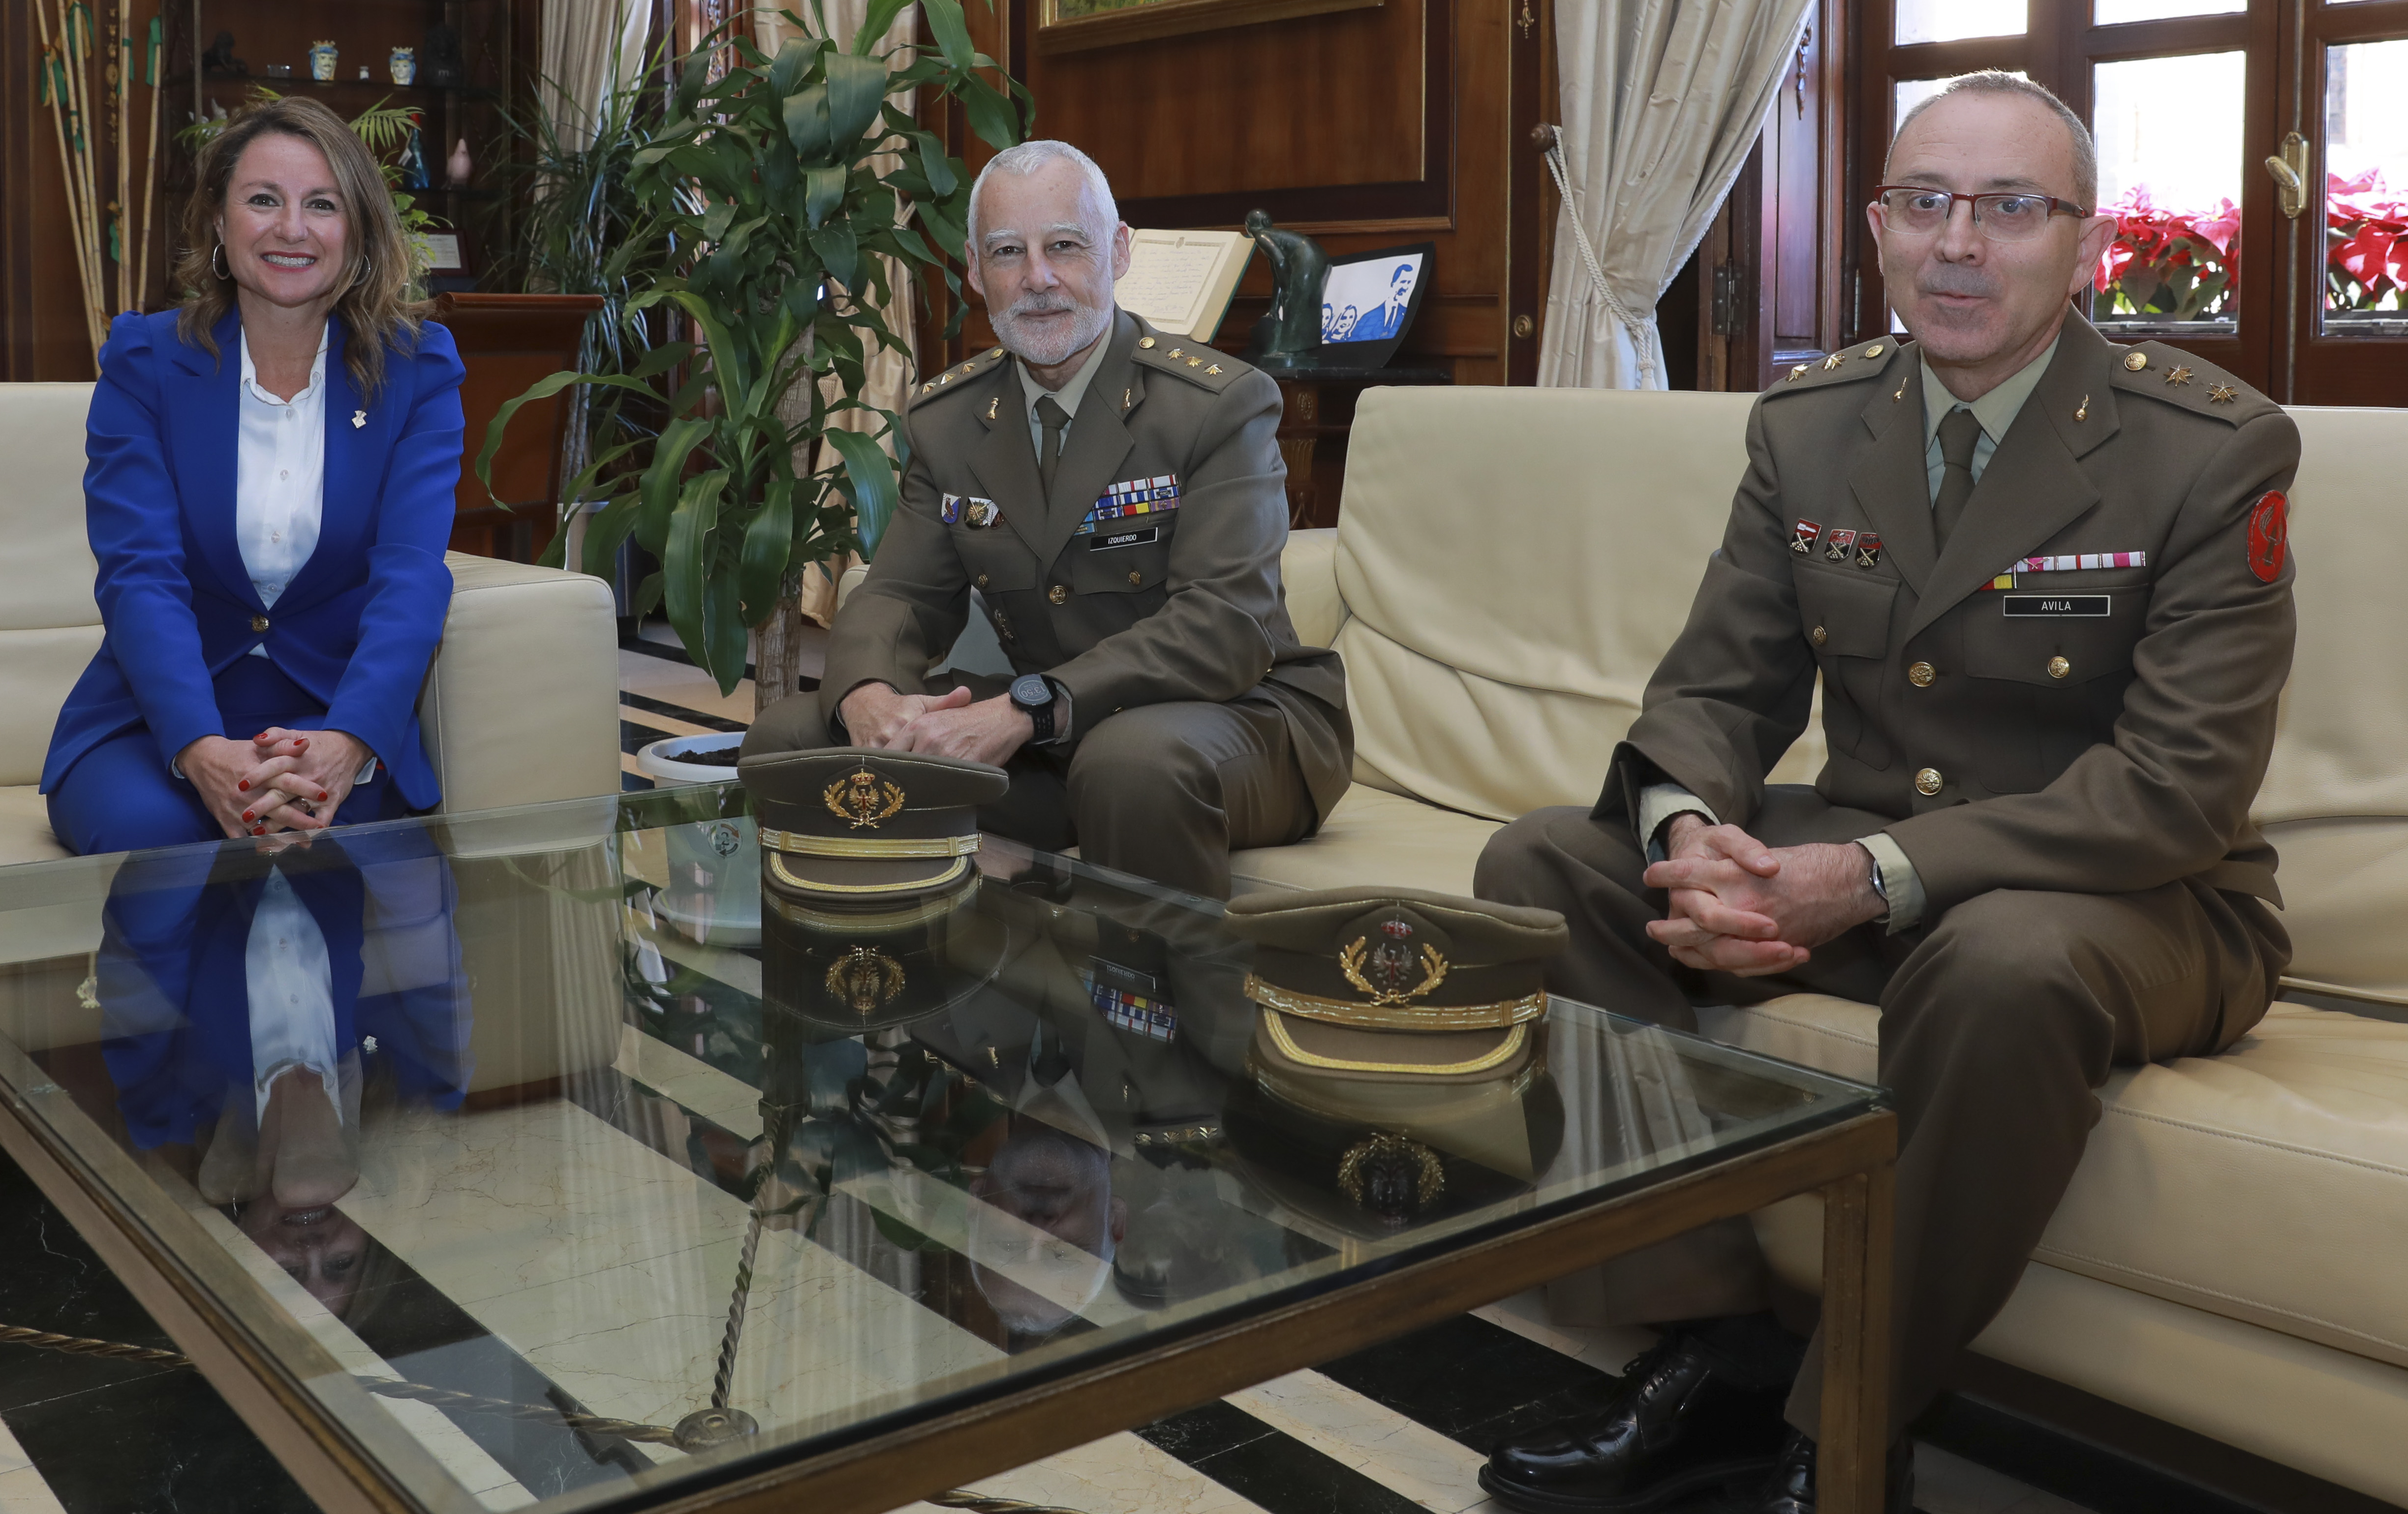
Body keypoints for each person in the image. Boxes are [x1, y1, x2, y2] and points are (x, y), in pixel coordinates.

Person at [1473, 73, 2299, 1514]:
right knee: (1547, 866)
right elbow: (1715, 693)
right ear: (1874, 229)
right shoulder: (1808, 425)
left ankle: (1845, 1427)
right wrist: (1686, 844)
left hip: (2135, 901)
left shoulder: (2208, 450)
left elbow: (2177, 792)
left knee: (2002, 962)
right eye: (1923, 204)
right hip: (1870, 868)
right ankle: (1713, 1353)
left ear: (2084, 244)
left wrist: (1860, 877)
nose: (1957, 245)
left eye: (2008, 210)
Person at [739, 139, 1348, 896]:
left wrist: (1028, 708)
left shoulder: (1217, 405)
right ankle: (888, 995)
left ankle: (1173, 1014)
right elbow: (898, 596)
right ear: (973, 270)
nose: (1038, 279)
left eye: (1064, 245)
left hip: (1240, 719)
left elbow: (1227, 623)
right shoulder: (951, 418)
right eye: (1007, 252)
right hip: (1059, 736)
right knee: (793, 739)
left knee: (1129, 764)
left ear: (1118, 252)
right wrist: (870, 697)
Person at [42, 94, 466, 854]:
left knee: (344, 862)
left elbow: (411, 575)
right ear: (218, 220)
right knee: (161, 846)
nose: (292, 229)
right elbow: (140, 575)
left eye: (322, 205)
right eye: (263, 200)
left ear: (357, 229)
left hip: (336, 718)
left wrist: (348, 744)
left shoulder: (417, 372)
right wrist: (203, 750)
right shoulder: (143, 363)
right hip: (158, 723)